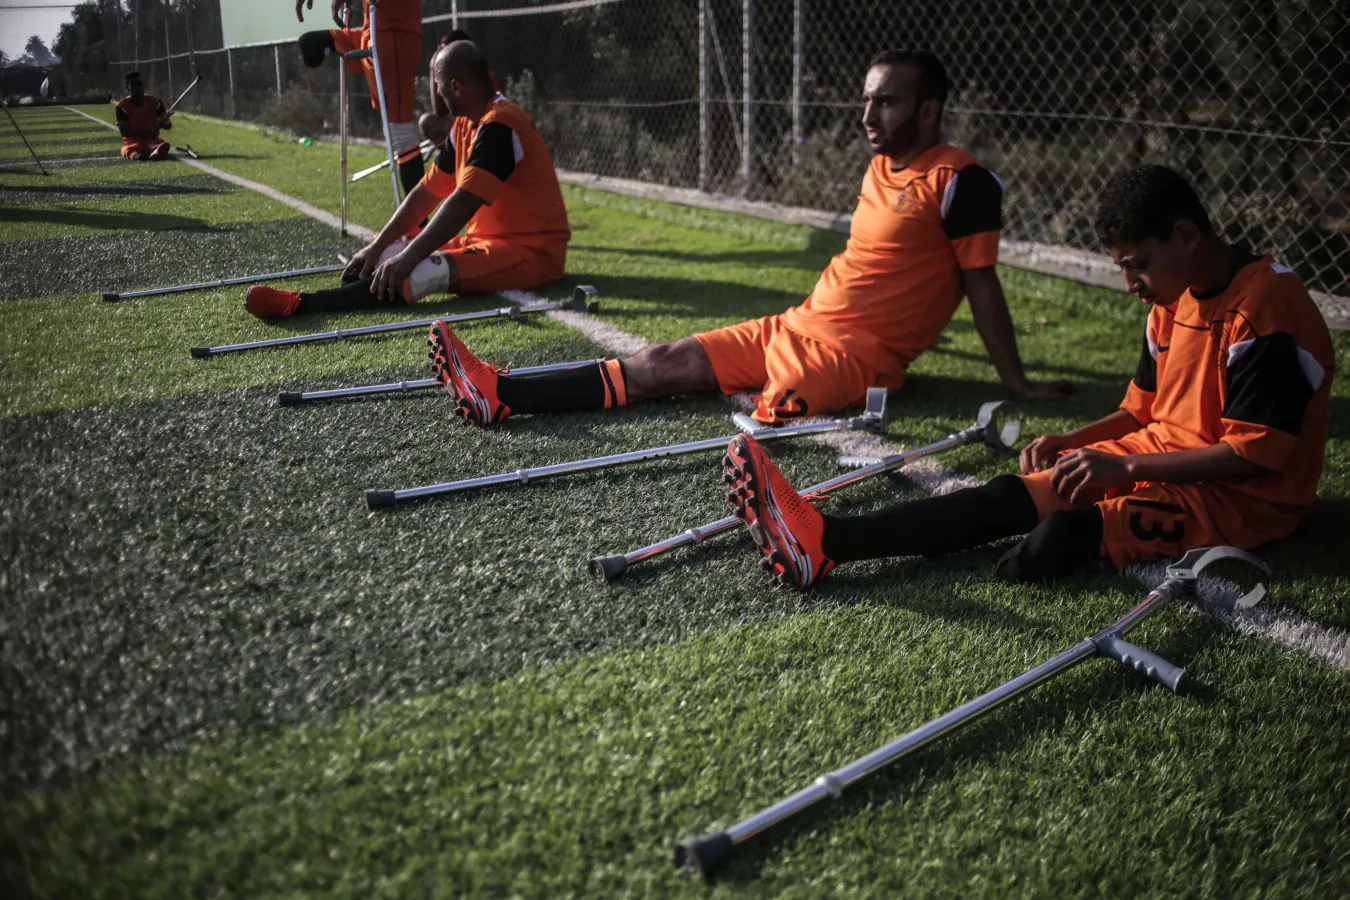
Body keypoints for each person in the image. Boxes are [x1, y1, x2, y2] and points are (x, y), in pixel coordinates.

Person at [720, 164, 1336, 588]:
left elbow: (1253, 456)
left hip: (1241, 502)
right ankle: (827, 541)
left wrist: (1123, 469)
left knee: (1047, 547)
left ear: (1185, 235)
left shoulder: (1265, 308)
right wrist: (1075, 443)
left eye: (1137, 266)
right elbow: (1144, 413)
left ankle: (831, 541)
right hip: (1155, 460)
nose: (1129, 285)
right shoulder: (1168, 303)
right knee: (1008, 496)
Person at [426, 49, 1071, 429]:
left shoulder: (965, 183)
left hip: (854, 360)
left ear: (929, 111)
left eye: (887, 104)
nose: (868, 116)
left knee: (768, 417)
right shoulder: (880, 165)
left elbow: (980, 283)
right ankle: (505, 393)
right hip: (797, 325)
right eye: (868, 101)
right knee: (664, 361)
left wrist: (1015, 382)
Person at [246, 38, 570, 318]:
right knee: (381, 262)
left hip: (531, 253)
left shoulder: (501, 123)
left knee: (418, 272)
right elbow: (425, 193)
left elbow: (463, 202)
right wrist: (378, 246)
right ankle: (367, 272)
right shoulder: (463, 125)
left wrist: (410, 256)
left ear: (456, 86)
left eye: (439, 85)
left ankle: (303, 305)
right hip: (487, 243)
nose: (437, 93)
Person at [296, 0, 425, 197]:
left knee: (400, 133)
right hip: (373, 31)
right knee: (310, 43)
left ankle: (419, 223)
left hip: (394, 36)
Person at [115, 72, 171, 161]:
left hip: (151, 140)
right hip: (132, 142)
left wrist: (161, 123)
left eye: (139, 84)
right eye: (134, 85)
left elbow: (168, 125)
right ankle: (138, 156)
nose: (138, 88)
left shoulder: (155, 102)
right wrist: (147, 129)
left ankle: (155, 152)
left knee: (162, 145)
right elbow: (124, 132)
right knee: (126, 150)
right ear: (127, 89)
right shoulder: (122, 107)